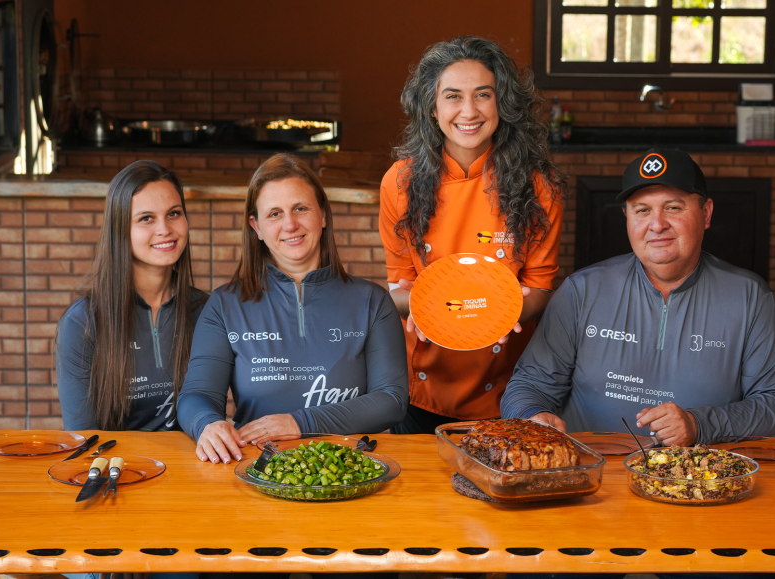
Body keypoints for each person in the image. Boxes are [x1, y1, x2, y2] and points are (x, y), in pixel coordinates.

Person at [500, 148, 775, 445]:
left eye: (673, 207)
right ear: (626, 218)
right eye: (642, 210)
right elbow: (528, 385)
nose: (657, 225)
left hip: (697, 481)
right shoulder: (582, 290)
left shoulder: (749, 297)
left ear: (705, 213)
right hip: (591, 474)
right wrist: (532, 415)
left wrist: (699, 424)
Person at [379, 35, 564, 434]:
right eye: (452, 96)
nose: (469, 111)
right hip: (421, 385)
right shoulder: (399, 182)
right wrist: (423, 308)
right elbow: (399, 283)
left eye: (483, 95)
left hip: (505, 386)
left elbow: (541, 287)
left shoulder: (538, 186)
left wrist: (504, 311)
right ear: (432, 107)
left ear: (504, 103)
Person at [177, 154, 408, 464]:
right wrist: (207, 424)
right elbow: (196, 396)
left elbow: (390, 401)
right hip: (259, 471)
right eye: (274, 214)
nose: (290, 224)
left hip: (352, 473)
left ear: (323, 215)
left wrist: (300, 423)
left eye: (301, 208)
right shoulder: (225, 304)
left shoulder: (372, 301)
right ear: (256, 227)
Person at [56, 160, 207, 432]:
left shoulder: (207, 311)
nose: (165, 229)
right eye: (146, 218)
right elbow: (84, 437)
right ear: (120, 229)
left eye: (174, 213)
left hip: (194, 470)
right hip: (120, 471)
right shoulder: (83, 323)